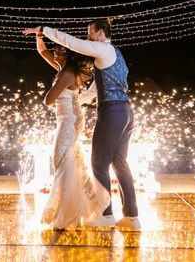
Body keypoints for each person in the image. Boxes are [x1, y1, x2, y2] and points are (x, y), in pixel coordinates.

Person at [23, 19, 140, 230]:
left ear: (101, 33)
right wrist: (75, 100)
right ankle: (132, 217)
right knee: (120, 162)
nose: (87, 38)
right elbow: (97, 88)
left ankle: (104, 216)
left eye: (90, 33)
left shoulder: (103, 48)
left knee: (98, 163)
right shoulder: (114, 54)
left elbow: (72, 43)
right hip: (125, 110)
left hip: (112, 111)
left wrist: (44, 30)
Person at [32, 32, 110, 230]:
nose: (55, 54)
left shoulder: (66, 74)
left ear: (67, 55)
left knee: (62, 162)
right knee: (68, 162)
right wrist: (38, 36)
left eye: (58, 51)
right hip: (70, 119)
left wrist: (52, 93)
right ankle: (78, 208)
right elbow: (42, 51)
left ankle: (67, 215)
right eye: (56, 51)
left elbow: (48, 100)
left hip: (68, 122)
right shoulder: (63, 69)